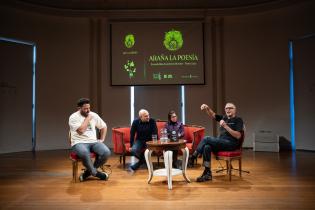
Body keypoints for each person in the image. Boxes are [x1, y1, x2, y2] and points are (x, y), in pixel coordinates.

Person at [190, 102, 244, 182]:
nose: (228, 110)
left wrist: (225, 126)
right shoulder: (224, 117)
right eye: (226, 108)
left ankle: (192, 157)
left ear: (235, 110)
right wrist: (207, 108)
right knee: (206, 147)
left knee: (207, 138)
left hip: (231, 144)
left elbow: (238, 136)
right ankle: (207, 173)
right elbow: (213, 114)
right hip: (222, 142)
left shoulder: (238, 120)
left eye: (230, 108)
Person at [69, 98, 111, 181]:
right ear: (79, 108)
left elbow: (103, 126)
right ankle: (96, 173)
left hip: (93, 142)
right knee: (85, 153)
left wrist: (102, 139)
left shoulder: (93, 115)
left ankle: (87, 173)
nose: (88, 110)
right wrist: (88, 118)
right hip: (78, 142)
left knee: (106, 152)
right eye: (85, 108)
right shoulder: (73, 117)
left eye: (89, 108)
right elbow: (81, 131)